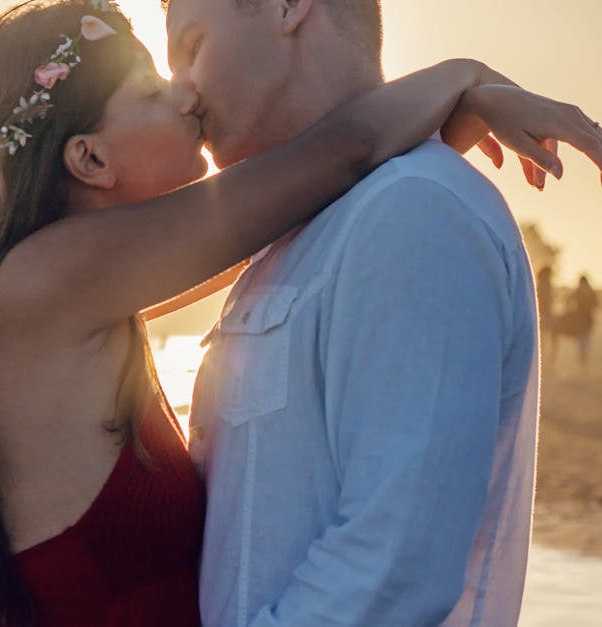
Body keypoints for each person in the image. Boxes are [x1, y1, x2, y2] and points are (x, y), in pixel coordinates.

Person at [0, 1, 602, 625]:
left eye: (190, 48)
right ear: (89, 159)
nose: (185, 93)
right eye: (155, 85)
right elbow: (341, 151)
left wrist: (433, 124)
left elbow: (306, 191)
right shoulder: (46, 281)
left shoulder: (70, 289)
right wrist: (462, 78)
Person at [164, 0, 600, 625]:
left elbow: (390, 570)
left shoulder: (411, 212)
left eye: (193, 46)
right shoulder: (298, 233)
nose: (181, 91)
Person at [560, 275, 598, 374]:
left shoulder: (579, 291)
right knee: (584, 342)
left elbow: (568, 300)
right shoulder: (591, 292)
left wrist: (568, 311)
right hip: (587, 320)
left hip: (580, 320)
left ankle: (582, 365)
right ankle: (583, 365)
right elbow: (596, 305)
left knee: (581, 343)